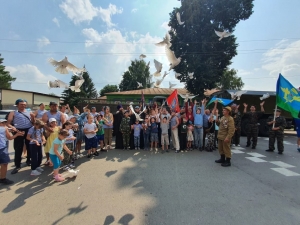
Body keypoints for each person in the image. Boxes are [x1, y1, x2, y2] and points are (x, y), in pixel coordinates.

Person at [7, 99, 35, 174]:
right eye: (21, 104)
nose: (23, 105)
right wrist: (13, 128)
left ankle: (28, 160)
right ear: (17, 105)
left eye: (24, 104)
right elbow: (8, 123)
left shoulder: (29, 112)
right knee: (18, 148)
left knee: (30, 146)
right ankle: (17, 165)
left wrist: (33, 117)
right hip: (18, 131)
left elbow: (33, 123)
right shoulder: (13, 113)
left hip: (28, 130)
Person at [0, 119, 24, 185]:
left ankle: (2, 178)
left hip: (2, 148)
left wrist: (17, 134)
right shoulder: (4, 128)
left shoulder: (5, 128)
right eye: (2, 122)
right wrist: (17, 134)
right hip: (2, 148)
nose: (4, 123)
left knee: (4, 163)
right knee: (4, 163)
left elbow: (9, 137)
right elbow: (10, 137)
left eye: (5, 122)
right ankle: (2, 178)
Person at [214, 101, 235, 167]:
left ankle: (228, 161)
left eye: (224, 110)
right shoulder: (223, 117)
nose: (223, 111)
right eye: (223, 110)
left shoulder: (230, 119)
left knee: (226, 148)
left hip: (225, 136)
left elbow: (231, 129)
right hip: (220, 136)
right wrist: (217, 120)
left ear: (228, 111)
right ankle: (222, 158)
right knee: (220, 148)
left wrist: (228, 137)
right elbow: (219, 124)